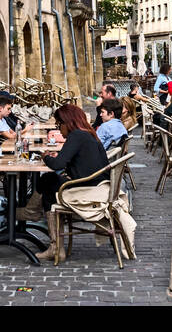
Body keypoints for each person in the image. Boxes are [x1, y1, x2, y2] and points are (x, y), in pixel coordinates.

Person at [18, 103, 110, 261]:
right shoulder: (87, 134)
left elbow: (57, 165)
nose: (59, 129)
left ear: (68, 122)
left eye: (59, 124)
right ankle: (33, 214)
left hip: (87, 190)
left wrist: (45, 156)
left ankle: (49, 237)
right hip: (97, 185)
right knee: (49, 181)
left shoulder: (76, 136)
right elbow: (70, 161)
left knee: (48, 182)